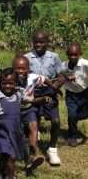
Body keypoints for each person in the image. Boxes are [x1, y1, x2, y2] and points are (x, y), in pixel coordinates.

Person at [24, 29, 66, 165]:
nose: (38, 44)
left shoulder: (53, 56)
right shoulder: (27, 57)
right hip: (33, 92)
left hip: (49, 91)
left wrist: (60, 80)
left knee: (55, 121)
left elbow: (61, 73)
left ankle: (52, 149)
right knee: (32, 122)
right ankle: (31, 149)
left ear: (47, 42)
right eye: (35, 42)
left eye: (42, 42)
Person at [13, 56, 54, 171]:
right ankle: (16, 155)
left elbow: (44, 79)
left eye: (24, 68)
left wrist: (53, 87)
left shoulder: (33, 78)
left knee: (33, 125)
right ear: (13, 68)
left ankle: (32, 153)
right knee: (17, 133)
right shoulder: (10, 79)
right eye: (17, 68)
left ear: (29, 69)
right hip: (14, 110)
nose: (21, 71)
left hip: (29, 107)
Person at [62, 43, 87, 147]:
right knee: (72, 115)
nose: (72, 57)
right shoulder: (63, 65)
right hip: (71, 94)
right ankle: (72, 135)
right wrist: (66, 78)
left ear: (80, 54)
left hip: (85, 92)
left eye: (75, 55)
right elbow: (59, 77)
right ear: (67, 53)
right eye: (70, 54)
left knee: (82, 114)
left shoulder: (85, 64)